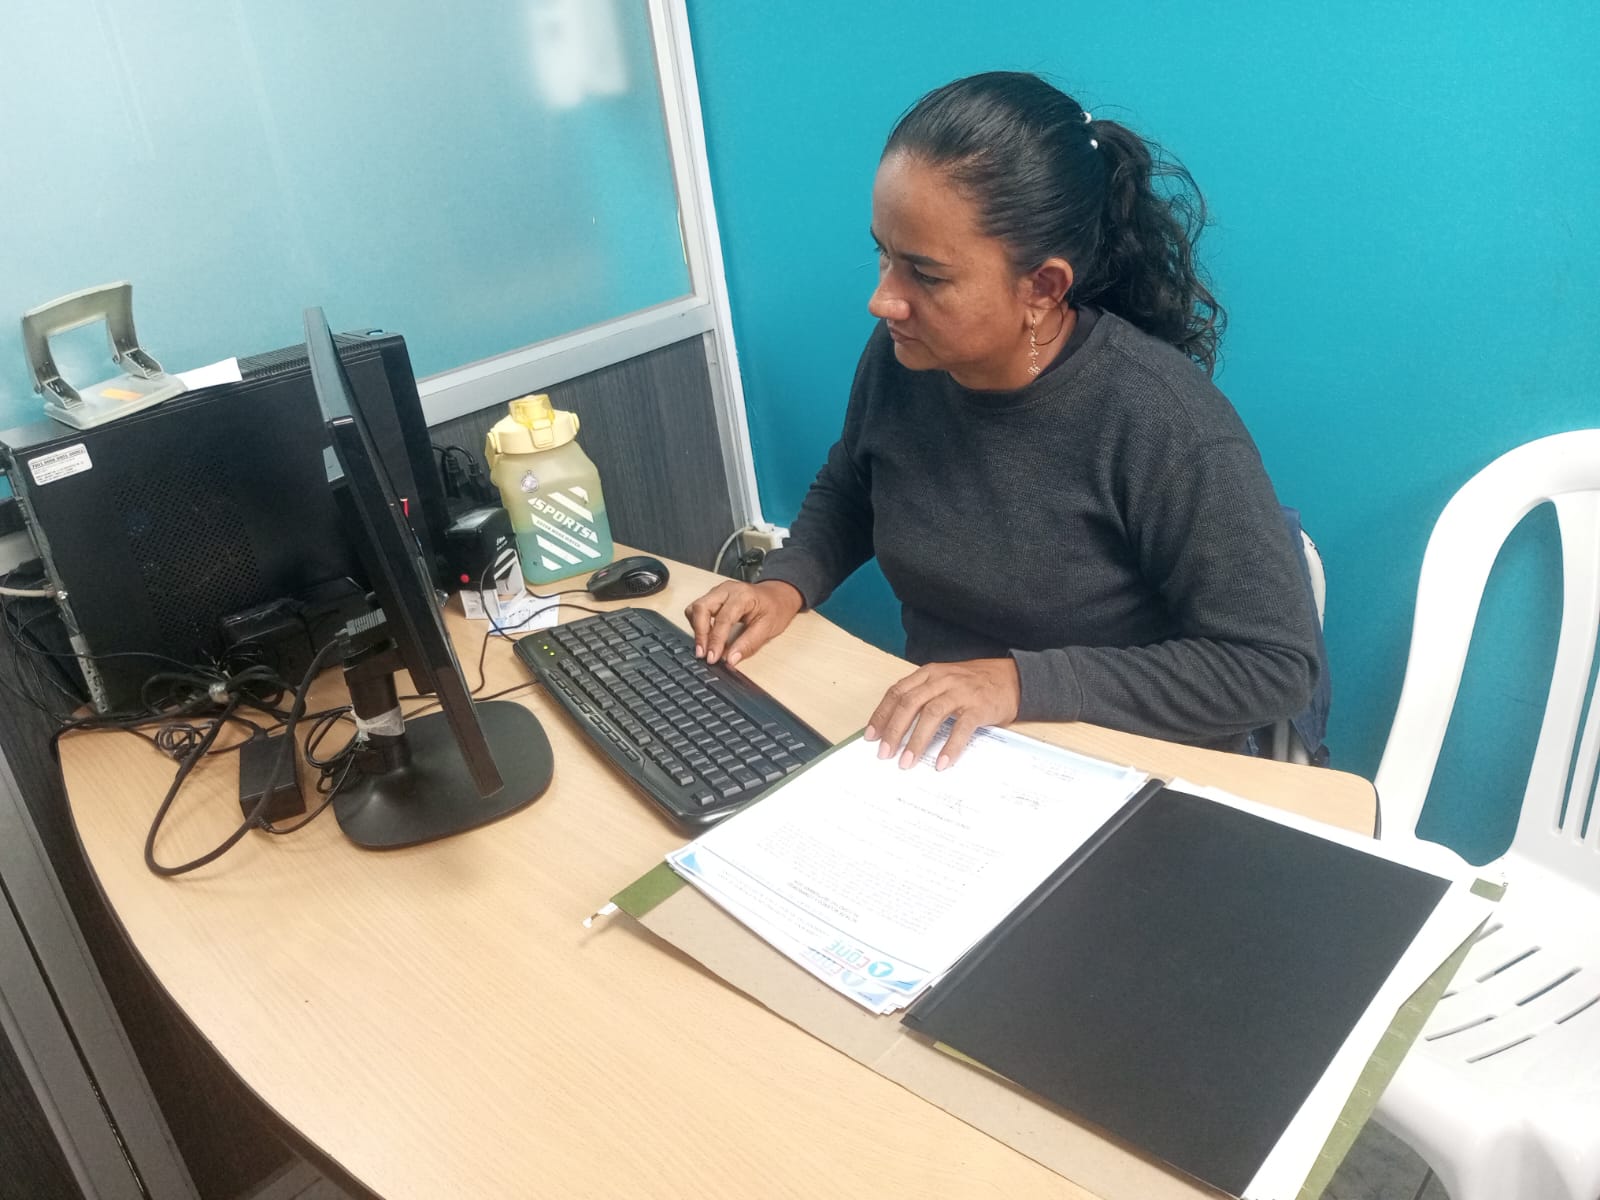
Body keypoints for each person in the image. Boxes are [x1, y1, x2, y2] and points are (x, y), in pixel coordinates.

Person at [685, 71, 1322, 771]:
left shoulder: (1162, 421)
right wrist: (783, 584)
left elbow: (1272, 666)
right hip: (947, 749)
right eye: (884, 255)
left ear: (1042, 287)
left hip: (1120, 764)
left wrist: (1019, 683)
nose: (884, 300)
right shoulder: (907, 355)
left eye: (926, 275)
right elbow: (855, 486)